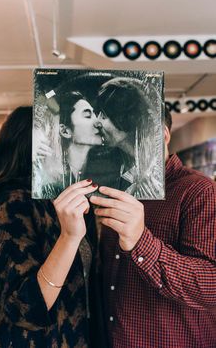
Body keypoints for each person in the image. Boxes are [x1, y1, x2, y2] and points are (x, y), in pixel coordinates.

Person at [90, 108, 216, 348]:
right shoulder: (118, 188)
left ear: (164, 135)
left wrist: (140, 242)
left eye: (132, 137)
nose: (124, 149)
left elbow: (211, 286)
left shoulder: (199, 191)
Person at [0, 106, 100, 347]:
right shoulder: (12, 204)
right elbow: (25, 308)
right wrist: (69, 237)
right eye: (56, 135)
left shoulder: (55, 203)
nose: (64, 143)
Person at [96, 77, 164, 199]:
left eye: (104, 115)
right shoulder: (122, 169)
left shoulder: (156, 177)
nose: (97, 122)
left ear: (125, 118)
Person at [33, 91, 103, 199]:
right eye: (88, 116)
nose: (98, 123)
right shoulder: (49, 179)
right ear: (65, 131)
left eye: (95, 115)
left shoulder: (110, 169)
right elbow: (45, 96)